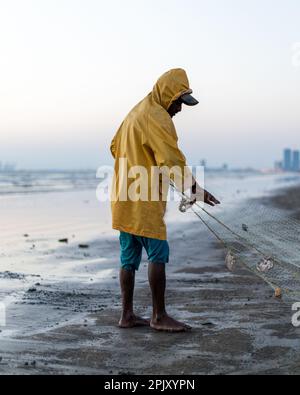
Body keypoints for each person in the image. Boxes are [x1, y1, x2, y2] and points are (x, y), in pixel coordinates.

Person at [110, 69, 220, 333]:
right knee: (157, 253)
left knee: (128, 256)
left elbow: (114, 146)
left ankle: (126, 315)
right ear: (167, 94)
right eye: (179, 102)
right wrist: (194, 189)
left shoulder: (135, 112)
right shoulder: (158, 117)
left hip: (123, 196)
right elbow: (171, 159)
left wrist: (140, 161)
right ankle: (158, 316)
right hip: (144, 200)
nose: (180, 109)